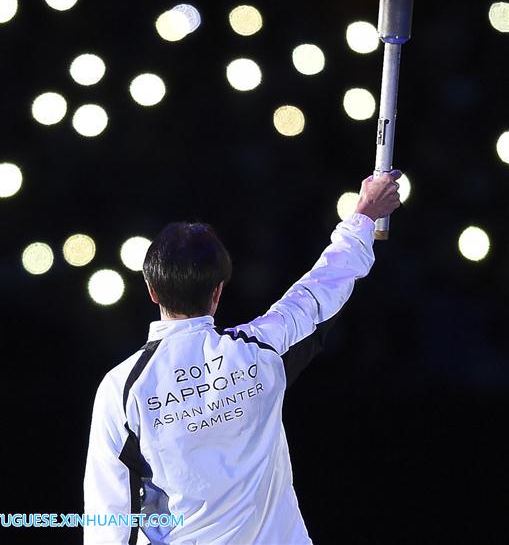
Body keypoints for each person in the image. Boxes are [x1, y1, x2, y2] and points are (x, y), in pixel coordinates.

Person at [83, 170, 402, 545]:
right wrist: (363, 212)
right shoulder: (260, 351)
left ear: (152, 291)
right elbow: (321, 288)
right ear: (218, 291)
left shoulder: (123, 387)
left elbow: (108, 515)